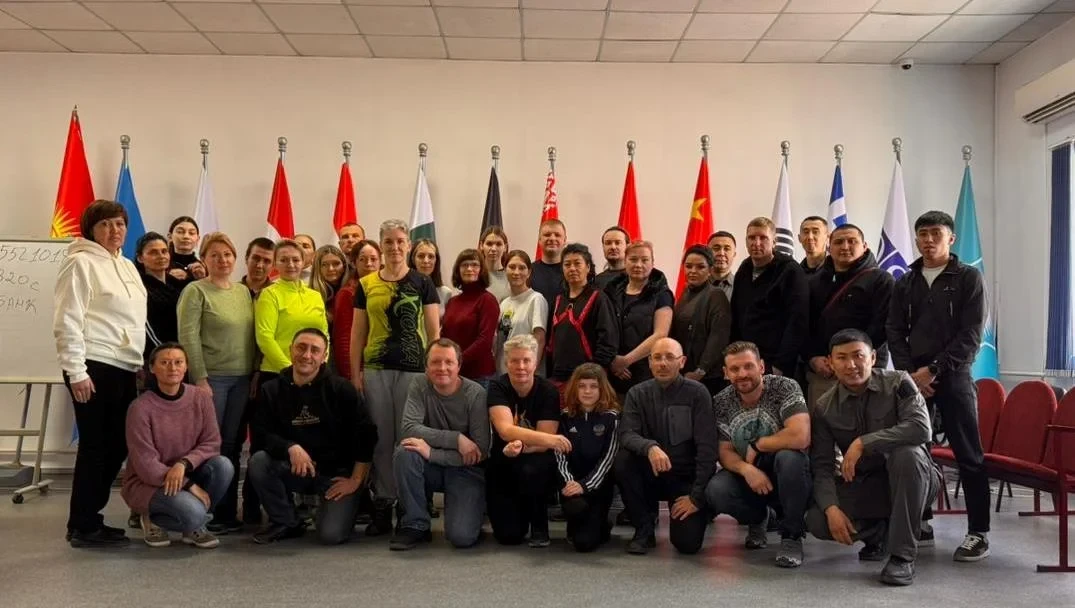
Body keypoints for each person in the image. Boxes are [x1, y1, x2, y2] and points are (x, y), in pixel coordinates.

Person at [886, 210, 989, 562]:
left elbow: (971, 335)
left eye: (936, 233)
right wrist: (912, 374)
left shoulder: (968, 278)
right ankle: (923, 521)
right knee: (917, 451)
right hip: (914, 380)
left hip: (955, 377)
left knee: (969, 455)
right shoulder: (906, 281)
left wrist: (934, 370)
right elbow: (894, 331)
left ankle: (978, 532)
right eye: (923, 234)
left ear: (951, 239)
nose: (928, 240)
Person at [807, 329, 939, 586]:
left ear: (873, 357)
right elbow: (822, 466)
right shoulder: (824, 407)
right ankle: (881, 533)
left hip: (915, 479)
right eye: (842, 358)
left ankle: (902, 557)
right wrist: (831, 509)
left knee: (906, 454)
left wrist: (863, 443)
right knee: (818, 520)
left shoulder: (899, 383)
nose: (851, 365)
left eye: (858, 355)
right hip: (869, 484)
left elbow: (921, 428)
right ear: (830, 363)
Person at [54, 200, 147, 547]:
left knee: (118, 444)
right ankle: (83, 524)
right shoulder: (80, 263)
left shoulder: (127, 265)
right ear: (91, 229)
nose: (114, 230)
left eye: (119, 224)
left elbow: (133, 320)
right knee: (95, 446)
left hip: (124, 366)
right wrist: (76, 370)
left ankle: (89, 516)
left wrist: (138, 362)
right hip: (93, 364)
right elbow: (67, 319)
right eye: (105, 224)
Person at [351, 219, 441, 536]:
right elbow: (357, 333)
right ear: (381, 245)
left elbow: (434, 332)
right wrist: (355, 373)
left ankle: (408, 506)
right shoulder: (366, 285)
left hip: (414, 371)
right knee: (380, 439)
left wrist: (433, 372)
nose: (395, 247)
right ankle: (383, 502)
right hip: (376, 369)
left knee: (407, 440)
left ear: (408, 245)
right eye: (388, 241)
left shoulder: (423, 283)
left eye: (400, 241)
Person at [249, 329, 377, 544]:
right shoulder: (271, 390)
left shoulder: (341, 389)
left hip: (336, 477)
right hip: (296, 470)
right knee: (259, 462)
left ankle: (354, 502)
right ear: (290, 350)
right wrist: (290, 447)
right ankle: (286, 522)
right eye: (301, 347)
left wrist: (356, 480)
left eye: (314, 350)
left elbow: (367, 434)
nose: (306, 355)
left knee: (331, 535)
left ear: (324, 356)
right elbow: (261, 435)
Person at [705, 341, 812, 568]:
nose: (742, 374)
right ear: (725, 373)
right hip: (749, 472)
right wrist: (747, 469)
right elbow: (724, 451)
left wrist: (758, 445)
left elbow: (800, 436)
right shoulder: (720, 402)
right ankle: (759, 518)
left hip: (784, 470)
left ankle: (792, 536)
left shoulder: (785, 387)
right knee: (717, 490)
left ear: (761, 366)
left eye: (748, 366)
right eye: (734, 369)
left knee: (789, 458)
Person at [177, 232, 256, 534]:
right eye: (214, 255)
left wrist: (254, 373)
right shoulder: (196, 291)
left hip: (242, 378)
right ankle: (202, 510)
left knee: (232, 445)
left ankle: (226, 512)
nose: (222, 260)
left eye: (227, 254)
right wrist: (200, 378)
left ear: (235, 259)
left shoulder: (242, 292)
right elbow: (188, 337)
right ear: (204, 259)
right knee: (211, 445)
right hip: (212, 379)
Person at [122, 343, 233, 549]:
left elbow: (212, 443)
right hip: (148, 483)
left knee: (223, 465)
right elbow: (146, 465)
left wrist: (183, 464)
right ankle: (151, 516)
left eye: (178, 362)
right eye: (164, 363)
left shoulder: (200, 398)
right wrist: (189, 485)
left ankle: (193, 525)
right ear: (152, 368)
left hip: (185, 472)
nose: (172, 368)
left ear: (186, 367)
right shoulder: (140, 408)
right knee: (193, 512)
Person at [615, 337, 716, 555]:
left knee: (687, 544)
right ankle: (644, 528)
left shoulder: (698, 393)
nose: (662, 363)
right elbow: (626, 434)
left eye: (670, 357)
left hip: (684, 480)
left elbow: (707, 449)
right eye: (657, 357)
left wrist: (696, 497)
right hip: (650, 475)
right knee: (623, 460)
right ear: (649, 362)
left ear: (682, 362)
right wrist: (650, 447)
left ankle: (700, 512)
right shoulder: (636, 393)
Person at [391, 339, 490, 550]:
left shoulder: (475, 394)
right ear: (426, 366)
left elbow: (480, 452)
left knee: (461, 537)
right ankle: (415, 523)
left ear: (459, 366)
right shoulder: (419, 384)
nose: (442, 368)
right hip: (433, 467)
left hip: (465, 470)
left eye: (449, 362)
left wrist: (432, 453)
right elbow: (409, 428)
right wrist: (456, 439)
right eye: (435, 362)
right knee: (405, 452)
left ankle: (473, 510)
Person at [486, 334, 568, 547]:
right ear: (506, 363)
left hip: (536, 460)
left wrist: (522, 445)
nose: (521, 366)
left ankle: (540, 526)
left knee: (534, 468)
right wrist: (552, 440)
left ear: (535, 363)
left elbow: (543, 444)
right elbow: (505, 430)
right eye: (514, 360)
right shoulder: (497, 387)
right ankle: (518, 515)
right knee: (508, 536)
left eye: (526, 360)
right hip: (503, 459)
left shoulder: (548, 390)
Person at [804, 224, 893, 409]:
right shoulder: (814, 282)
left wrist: (848, 359)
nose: (845, 247)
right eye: (839, 242)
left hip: (864, 370)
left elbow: (882, 326)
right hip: (824, 371)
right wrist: (812, 357)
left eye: (852, 241)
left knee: (867, 422)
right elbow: (804, 324)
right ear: (829, 247)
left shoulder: (881, 280)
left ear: (865, 246)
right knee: (823, 423)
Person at [730, 217, 809, 378]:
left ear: (774, 242)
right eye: (752, 238)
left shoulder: (790, 271)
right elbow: (736, 315)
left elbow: (797, 321)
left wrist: (780, 365)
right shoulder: (744, 269)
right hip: (746, 359)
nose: (756, 243)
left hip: (776, 363)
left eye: (763, 238)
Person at [555, 363, 619, 553]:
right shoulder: (565, 417)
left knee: (585, 543)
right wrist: (569, 483)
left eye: (593, 386)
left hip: (598, 486)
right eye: (582, 386)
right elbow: (559, 456)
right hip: (571, 486)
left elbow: (608, 459)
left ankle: (602, 524)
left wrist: (585, 485)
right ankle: (577, 524)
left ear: (602, 389)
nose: (587, 391)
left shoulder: (612, 418)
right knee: (576, 512)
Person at [605, 240, 673, 397]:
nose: (638, 264)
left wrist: (625, 361)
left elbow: (660, 334)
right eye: (633, 259)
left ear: (652, 263)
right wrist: (612, 360)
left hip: (645, 372)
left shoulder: (662, 294)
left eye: (644, 260)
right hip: (612, 372)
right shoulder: (612, 291)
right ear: (625, 261)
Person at [255, 239, 329, 382]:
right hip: (278, 374)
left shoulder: (315, 296)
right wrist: (290, 370)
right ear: (275, 264)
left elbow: (324, 335)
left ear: (303, 262)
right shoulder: (269, 294)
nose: (290, 265)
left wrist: (321, 363)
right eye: (284, 260)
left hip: (313, 373)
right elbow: (264, 338)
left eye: (295, 260)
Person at [548, 243, 618, 390]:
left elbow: (608, 341)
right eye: (567, 264)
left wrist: (594, 375)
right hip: (558, 377)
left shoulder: (599, 298)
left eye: (577, 263)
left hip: (588, 380)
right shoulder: (558, 300)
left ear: (588, 267)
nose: (572, 268)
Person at [672, 245, 731, 396]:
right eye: (688, 266)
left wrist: (700, 371)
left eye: (700, 267)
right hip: (684, 373)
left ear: (710, 270)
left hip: (707, 378)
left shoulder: (716, 295)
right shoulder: (685, 293)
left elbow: (718, 337)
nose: (693, 271)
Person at [441, 249, 499, 386]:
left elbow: (485, 340)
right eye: (464, 265)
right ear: (458, 270)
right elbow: (445, 335)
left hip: (479, 375)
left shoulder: (487, 300)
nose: (469, 269)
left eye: (474, 265)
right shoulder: (452, 301)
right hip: (453, 372)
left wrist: (457, 360)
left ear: (481, 270)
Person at [134, 232, 184, 369]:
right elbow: (147, 329)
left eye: (164, 251)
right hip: (158, 360)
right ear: (140, 258)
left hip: (181, 357)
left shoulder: (177, 284)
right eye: (153, 252)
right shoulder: (138, 287)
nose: (161, 256)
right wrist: (165, 356)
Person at [333, 240, 381, 380]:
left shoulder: (388, 288)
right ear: (354, 263)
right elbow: (344, 340)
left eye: (373, 259)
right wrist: (352, 375)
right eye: (362, 259)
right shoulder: (348, 293)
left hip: (386, 367)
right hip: (362, 370)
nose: (369, 264)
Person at [495, 250, 548, 375]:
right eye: (512, 267)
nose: (516, 272)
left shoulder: (536, 299)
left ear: (529, 272)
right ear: (505, 270)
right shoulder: (504, 303)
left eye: (522, 268)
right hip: (504, 373)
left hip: (526, 374)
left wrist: (530, 373)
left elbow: (539, 339)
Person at [530, 219, 567, 358]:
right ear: (539, 240)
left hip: (564, 345)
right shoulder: (528, 272)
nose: (552, 238)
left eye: (557, 235)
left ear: (565, 240)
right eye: (547, 235)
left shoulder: (572, 273)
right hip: (533, 343)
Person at [410, 238, 456, 314]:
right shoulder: (401, 289)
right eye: (421, 256)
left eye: (431, 256)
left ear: (436, 261)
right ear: (413, 259)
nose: (426, 261)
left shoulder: (446, 293)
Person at [310, 244, 347, 327]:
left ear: (344, 266)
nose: (331, 269)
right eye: (324, 264)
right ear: (318, 268)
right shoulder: (310, 295)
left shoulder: (352, 292)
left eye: (336, 264)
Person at [166, 216, 206, 286]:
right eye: (180, 232)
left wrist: (203, 279)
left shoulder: (204, 267)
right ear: (170, 237)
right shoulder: (162, 264)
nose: (186, 236)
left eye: (191, 233)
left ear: (197, 239)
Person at [480, 226, 512, 302]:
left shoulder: (512, 277)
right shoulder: (473, 275)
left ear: (505, 247)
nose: (494, 249)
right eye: (489, 244)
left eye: (498, 244)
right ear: (481, 245)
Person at [594, 226, 629, 290]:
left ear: (627, 246)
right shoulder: (596, 281)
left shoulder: (636, 277)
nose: (613, 247)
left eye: (617, 243)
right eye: (608, 243)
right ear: (603, 247)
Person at [707, 230, 737, 300]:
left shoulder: (743, 287)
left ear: (734, 254)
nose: (721, 253)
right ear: (707, 253)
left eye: (727, 249)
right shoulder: (696, 286)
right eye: (716, 248)